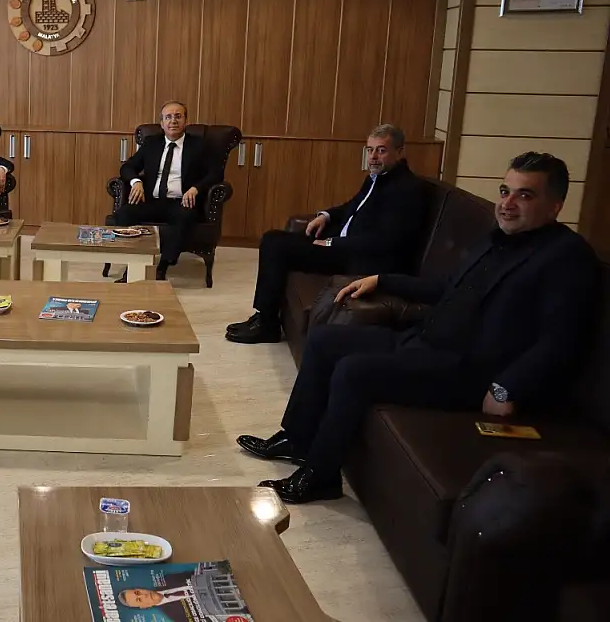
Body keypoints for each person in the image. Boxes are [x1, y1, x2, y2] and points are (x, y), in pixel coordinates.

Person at [236, 152, 599, 504]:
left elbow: (560, 341)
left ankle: (320, 477)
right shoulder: (496, 239)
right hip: (424, 340)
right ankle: (298, 439)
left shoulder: (567, 257)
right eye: (505, 191)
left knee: (353, 371)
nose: (507, 204)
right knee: (325, 339)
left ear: (555, 206)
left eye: (525, 195)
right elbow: (448, 288)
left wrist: (507, 387)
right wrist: (382, 280)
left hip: (468, 370)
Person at [226, 123, 427, 344]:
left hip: (359, 259)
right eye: (370, 150)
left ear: (400, 152)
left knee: (275, 244)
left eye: (381, 150)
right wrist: (326, 216)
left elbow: (385, 241)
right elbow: (352, 206)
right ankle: (264, 316)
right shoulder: (378, 177)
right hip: (344, 245)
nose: (373, 157)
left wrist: (333, 243)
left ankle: (267, 325)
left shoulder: (407, 189)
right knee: (274, 239)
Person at [114, 102, 223, 281]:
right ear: (162, 123)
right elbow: (127, 167)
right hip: (151, 200)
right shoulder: (152, 143)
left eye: (178, 116)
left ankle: (162, 267)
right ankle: (132, 266)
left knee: (185, 217)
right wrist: (136, 182)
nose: (173, 121)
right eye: (168, 117)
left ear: (186, 121)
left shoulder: (199, 145)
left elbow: (215, 173)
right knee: (124, 213)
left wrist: (196, 188)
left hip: (181, 202)